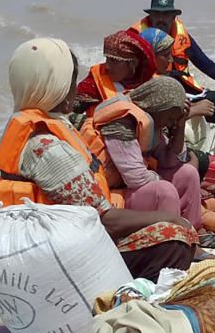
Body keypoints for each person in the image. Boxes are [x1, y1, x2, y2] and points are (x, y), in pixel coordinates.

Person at [0, 37, 197, 281]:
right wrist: (171, 218)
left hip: (62, 239)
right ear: (53, 85)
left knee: (171, 223)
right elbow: (105, 220)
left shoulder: (45, 126)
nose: (75, 90)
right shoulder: (47, 147)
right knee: (175, 239)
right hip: (68, 256)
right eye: (69, 83)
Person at [131, 0, 215, 155]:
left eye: (167, 14)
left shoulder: (182, 35)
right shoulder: (137, 37)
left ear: (174, 16)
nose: (162, 19)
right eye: (157, 14)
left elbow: (205, 64)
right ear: (150, 16)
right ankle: (171, 155)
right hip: (155, 93)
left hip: (186, 90)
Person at [79, 76, 203, 230]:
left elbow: (170, 162)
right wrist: (162, 180)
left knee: (188, 174)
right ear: (158, 107)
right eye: (171, 118)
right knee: (164, 190)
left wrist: (181, 124)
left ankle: (193, 233)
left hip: (130, 189)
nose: (170, 123)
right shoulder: (121, 123)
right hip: (109, 196)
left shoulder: (152, 124)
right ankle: (172, 241)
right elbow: (136, 178)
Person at [75, 30, 156, 112]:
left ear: (133, 63)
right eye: (107, 58)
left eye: (114, 60)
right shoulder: (94, 82)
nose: (107, 66)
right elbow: (71, 109)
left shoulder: (150, 87)